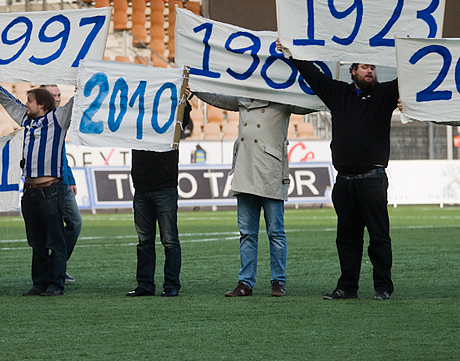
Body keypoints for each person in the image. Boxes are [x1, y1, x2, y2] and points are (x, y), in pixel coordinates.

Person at [280, 42, 398, 301]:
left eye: (373, 67)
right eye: (365, 67)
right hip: (344, 182)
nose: (371, 72)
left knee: (379, 236)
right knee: (347, 238)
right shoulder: (338, 94)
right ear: (352, 70)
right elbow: (312, 75)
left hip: (373, 179)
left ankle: (383, 287)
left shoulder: (385, 94)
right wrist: (291, 53)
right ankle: (347, 287)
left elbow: (413, 76)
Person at [192, 89, 311, 298]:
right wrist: (196, 87)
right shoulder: (242, 97)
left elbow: (308, 105)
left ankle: (278, 282)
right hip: (246, 171)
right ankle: (245, 283)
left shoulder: (283, 96)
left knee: (276, 233)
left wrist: (329, 89)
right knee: (247, 233)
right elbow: (218, 97)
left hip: (271, 172)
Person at [0, 83, 74, 296]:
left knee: (55, 241)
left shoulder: (59, 118)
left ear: (42, 104)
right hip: (29, 191)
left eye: (30, 101)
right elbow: (9, 102)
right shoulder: (26, 119)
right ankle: (39, 284)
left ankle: (56, 284)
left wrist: (81, 86)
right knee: (36, 242)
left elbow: (77, 103)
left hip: (50, 189)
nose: (26, 105)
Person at [126, 102, 192, 298]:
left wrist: (184, 101)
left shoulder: (171, 121)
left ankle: (170, 284)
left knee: (168, 240)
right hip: (143, 188)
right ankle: (146, 284)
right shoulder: (135, 122)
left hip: (162, 187)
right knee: (147, 241)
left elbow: (184, 119)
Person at [41, 84, 81, 284]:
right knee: (50, 230)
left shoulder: (60, 118)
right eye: (53, 95)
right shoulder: (38, 122)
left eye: (59, 95)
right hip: (46, 185)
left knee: (74, 223)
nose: (58, 99)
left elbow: (61, 155)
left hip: (63, 183)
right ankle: (53, 270)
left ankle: (57, 266)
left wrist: (71, 178)